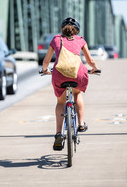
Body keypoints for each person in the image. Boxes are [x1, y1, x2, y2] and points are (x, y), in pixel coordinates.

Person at [41, 17, 99, 150]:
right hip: (77, 74)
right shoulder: (80, 40)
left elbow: (46, 61)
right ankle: (81, 123)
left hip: (59, 75)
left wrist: (45, 70)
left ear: (62, 29)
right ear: (76, 30)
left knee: (61, 102)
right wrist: (95, 69)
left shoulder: (56, 39)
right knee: (77, 94)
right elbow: (90, 61)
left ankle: (58, 134)